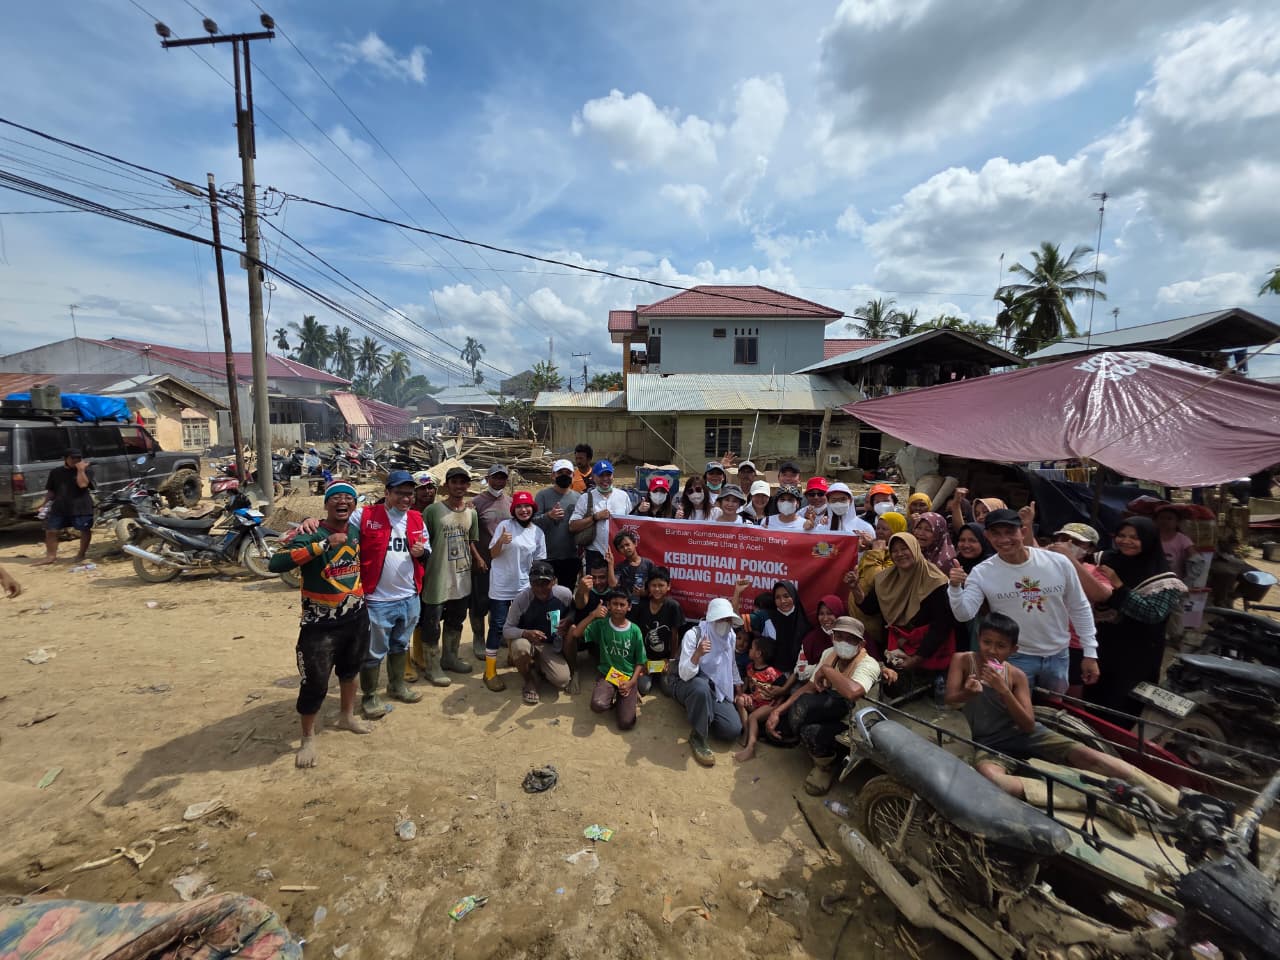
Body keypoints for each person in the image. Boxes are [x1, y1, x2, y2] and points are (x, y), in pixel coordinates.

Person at [947, 613, 1180, 821]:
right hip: (989, 743)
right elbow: (950, 699)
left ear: (1013, 650)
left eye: (1001, 646)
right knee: (994, 780)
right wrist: (968, 692)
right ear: (978, 639)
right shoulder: (963, 660)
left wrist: (1004, 691)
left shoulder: (1016, 676)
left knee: (1090, 755)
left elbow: (1028, 725)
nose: (992, 650)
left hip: (1026, 735)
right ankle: (1089, 799)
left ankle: (1175, 800)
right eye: (987, 642)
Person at [268, 481, 372, 768]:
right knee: (315, 683)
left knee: (350, 671)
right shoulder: (311, 533)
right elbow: (276, 564)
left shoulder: (355, 531)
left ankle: (346, 716)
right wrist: (323, 545)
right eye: (336, 498)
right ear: (326, 504)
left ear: (354, 505)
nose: (342, 501)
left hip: (356, 617)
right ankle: (307, 738)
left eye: (348, 498)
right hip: (319, 625)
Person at [948, 508, 1098, 696]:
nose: (1004, 539)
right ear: (987, 536)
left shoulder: (1058, 562)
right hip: (1014, 656)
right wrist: (955, 587)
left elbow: (1079, 607)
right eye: (996, 533)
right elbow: (964, 614)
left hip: (1058, 654)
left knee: (1052, 706)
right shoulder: (981, 573)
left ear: (1024, 531)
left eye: (1010, 532)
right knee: (1011, 707)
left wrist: (1090, 652)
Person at [766, 615, 882, 795]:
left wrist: (826, 670)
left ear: (861, 644)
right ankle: (810, 739)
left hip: (852, 719)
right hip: (831, 704)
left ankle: (827, 764)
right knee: (781, 726)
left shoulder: (868, 664)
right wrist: (778, 711)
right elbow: (810, 687)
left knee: (809, 728)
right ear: (833, 637)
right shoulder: (830, 654)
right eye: (839, 637)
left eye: (851, 639)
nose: (844, 642)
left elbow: (853, 692)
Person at [1087, 517, 1187, 718]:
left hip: (1136, 654)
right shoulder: (1102, 559)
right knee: (1090, 696)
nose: (1126, 541)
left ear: (1149, 540)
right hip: (1099, 645)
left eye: (1135, 537)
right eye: (1121, 535)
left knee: (1121, 704)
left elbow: (1153, 614)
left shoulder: (1164, 579)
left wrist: (1119, 586)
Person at [850, 532, 958, 683]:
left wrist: (916, 659)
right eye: (894, 550)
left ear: (914, 548)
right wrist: (855, 588)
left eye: (904, 548)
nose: (899, 554)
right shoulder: (885, 578)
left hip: (928, 655)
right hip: (895, 654)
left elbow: (941, 625)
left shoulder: (935, 580)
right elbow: (870, 608)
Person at [670, 596, 745, 766]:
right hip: (687, 682)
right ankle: (698, 736)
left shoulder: (730, 636)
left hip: (716, 687)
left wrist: (738, 688)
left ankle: (704, 711)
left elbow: (731, 662)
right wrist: (698, 654)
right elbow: (684, 674)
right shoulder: (694, 635)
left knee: (731, 730)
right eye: (720, 619)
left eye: (728, 619)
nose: (725, 623)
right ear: (711, 619)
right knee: (700, 687)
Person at [484, 490, 547, 691]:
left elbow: (539, 562)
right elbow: (493, 554)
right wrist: (501, 541)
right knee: (498, 626)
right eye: (519, 506)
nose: (523, 510)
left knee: (521, 623)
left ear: (533, 509)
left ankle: (514, 656)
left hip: (524, 586)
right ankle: (490, 671)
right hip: (502, 585)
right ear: (513, 510)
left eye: (527, 506)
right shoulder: (504, 526)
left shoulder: (538, 532)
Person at [1045, 523, 1113, 697]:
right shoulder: (1045, 562)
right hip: (1044, 639)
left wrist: (1070, 559)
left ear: (1090, 548)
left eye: (1076, 541)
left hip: (1074, 643)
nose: (1068, 543)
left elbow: (1101, 595)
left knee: (1071, 695)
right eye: (1063, 538)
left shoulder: (1094, 571)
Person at [572, 589, 647, 730]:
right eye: (614, 604)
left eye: (622, 604)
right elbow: (576, 633)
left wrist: (631, 682)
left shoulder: (635, 630)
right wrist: (593, 615)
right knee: (597, 705)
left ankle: (625, 698)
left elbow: (640, 661)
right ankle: (612, 695)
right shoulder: (602, 625)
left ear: (629, 607)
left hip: (627, 677)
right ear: (608, 605)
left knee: (626, 723)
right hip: (607, 674)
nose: (618, 608)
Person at [504, 560, 574, 705]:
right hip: (527, 642)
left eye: (545, 583)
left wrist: (568, 619)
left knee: (562, 680)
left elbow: (574, 610)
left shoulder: (564, 594)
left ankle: (536, 666)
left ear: (554, 582)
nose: (541, 588)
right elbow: (507, 629)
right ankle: (529, 680)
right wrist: (526, 633)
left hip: (549, 644)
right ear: (530, 583)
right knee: (520, 648)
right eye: (536, 584)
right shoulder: (522, 599)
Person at [845, 511, 908, 652]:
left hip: (874, 625)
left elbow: (876, 578)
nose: (879, 532)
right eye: (878, 528)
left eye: (885, 529)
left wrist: (876, 552)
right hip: (860, 615)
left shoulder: (897, 557)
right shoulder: (878, 550)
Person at [469, 464, 512, 660]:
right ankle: (478, 638)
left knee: (500, 602)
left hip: (504, 564)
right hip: (484, 562)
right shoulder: (476, 503)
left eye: (502, 478)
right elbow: (469, 535)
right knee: (479, 604)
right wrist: (477, 558)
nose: (499, 481)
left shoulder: (510, 502)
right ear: (487, 479)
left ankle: (498, 634)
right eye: (495, 477)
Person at [34, 448, 94, 565]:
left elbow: (82, 484)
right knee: (51, 530)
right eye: (73, 458)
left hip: (81, 507)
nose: (76, 460)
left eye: (78, 458)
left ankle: (81, 554)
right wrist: (44, 504)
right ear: (65, 459)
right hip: (60, 506)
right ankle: (50, 556)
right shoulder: (56, 472)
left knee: (84, 530)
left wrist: (80, 470)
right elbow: (51, 491)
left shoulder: (87, 470)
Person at [629, 566, 684, 694]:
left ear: (668, 586)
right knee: (643, 688)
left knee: (668, 690)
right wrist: (642, 660)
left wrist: (670, 661)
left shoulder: (673, 606)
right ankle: (649, 673)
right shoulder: (642, 605)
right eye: (653, 585)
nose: (657, 589)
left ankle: (663, 674)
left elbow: (675, 636)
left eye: (661, 585)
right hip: (646, 658)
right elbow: (637, 635)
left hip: (665, 658)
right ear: (648, 586)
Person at [732, 634, 783, 762]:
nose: (749, 650)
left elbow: (782, 691)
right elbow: (747, 686)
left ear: (758, 654)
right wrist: (742, 694)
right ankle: (746, 730)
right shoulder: (750, 667)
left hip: (768, 705)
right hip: (755, 701)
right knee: (740, 701)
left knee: (753, 717)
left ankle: (751, 747)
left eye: (751, 648)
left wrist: (777, 707)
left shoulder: (771, 672)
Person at [568, 459, 633, 559]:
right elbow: (572, 526)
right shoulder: (585, 498)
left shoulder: (623, 496)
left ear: (613, 476)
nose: (605, 479)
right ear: (594, 477)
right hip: (595, 554)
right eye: (601, 475)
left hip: (619, 553)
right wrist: (595, 517)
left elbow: (630, 523)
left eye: (608, 475)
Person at [533, 459, 582, 590]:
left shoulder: (579, 498)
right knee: (546, 593)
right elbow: (532, 523)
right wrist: (548, 516)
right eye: (560, 472)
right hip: (547, 557)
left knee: (567, 593)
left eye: (568, 473)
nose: (564, 475)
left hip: (570, 556)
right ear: (553, 475)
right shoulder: (542, 495)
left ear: (573, 476)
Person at [953, 522, 995, 650]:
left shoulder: (991, 566)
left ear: (983, 541)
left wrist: (971, 584)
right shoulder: (958, 562)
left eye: (972, 540)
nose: (966, 545)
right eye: (962, 540)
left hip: (986, 627)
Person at [759, 580, 810, 676]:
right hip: (770, 675)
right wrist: (738, 592)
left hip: (797, 676)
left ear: (794, 596)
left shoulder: (805, 625)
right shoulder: (767, 619)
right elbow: (738, 622)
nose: (782, 601)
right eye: (778, 597)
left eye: (786, 596)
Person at [1154, 506, 1195, 581]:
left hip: (1175, 580)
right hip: (1153, 579)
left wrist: (1189, 578)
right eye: (1161, 518)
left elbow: (1195, 558)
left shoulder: (1182, 539)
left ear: (1177, 522)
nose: (1164, 521)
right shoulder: (1151, 537)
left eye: (1169, 518)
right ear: (1155, 521)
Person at [609, 529, 654, 596]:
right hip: (627, 601)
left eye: (627, 544)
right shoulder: (620, 567)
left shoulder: (648, 564)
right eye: (621, 547)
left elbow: (655, 585)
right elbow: (613, 585)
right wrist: (610, 563)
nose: (625, 548)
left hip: (645, 601)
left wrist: (644, 592)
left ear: (635, 543)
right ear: (619, 551)